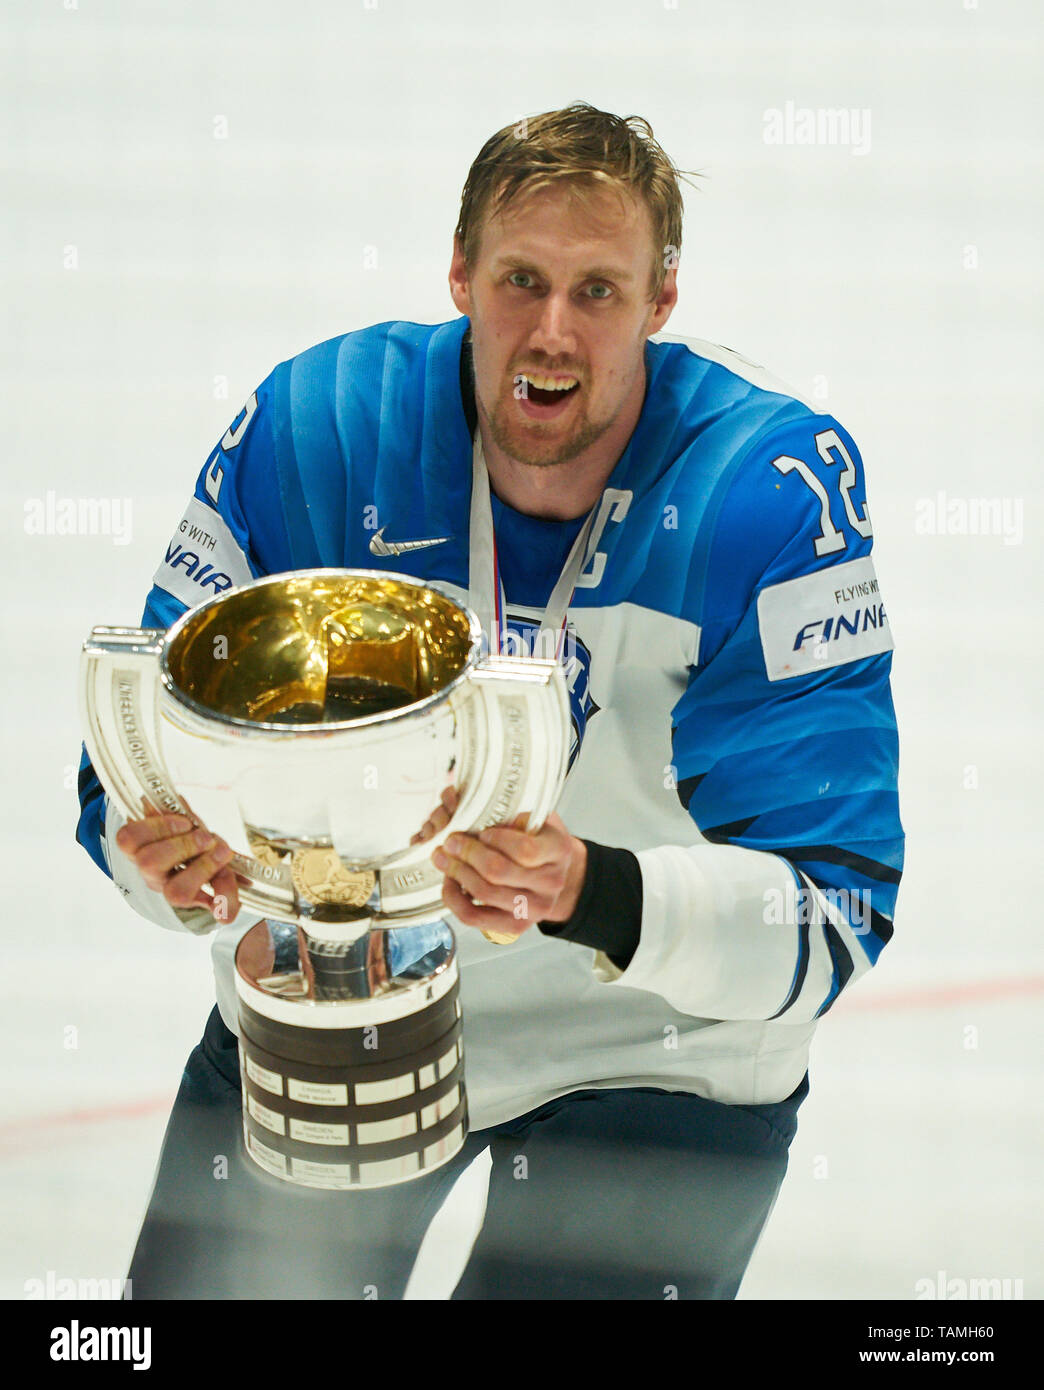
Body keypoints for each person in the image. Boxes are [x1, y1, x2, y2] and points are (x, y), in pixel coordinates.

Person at [75, 103, 904, 1300]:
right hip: (345, 989)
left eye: (600, 290)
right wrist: (157, 861)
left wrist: (592, 890)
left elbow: (831, 909)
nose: (553, 332)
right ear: (459, 272)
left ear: (663, 302)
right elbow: (130, 756)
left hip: (659, 1049)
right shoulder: (319, 431)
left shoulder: (762, 491)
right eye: (521, 278)